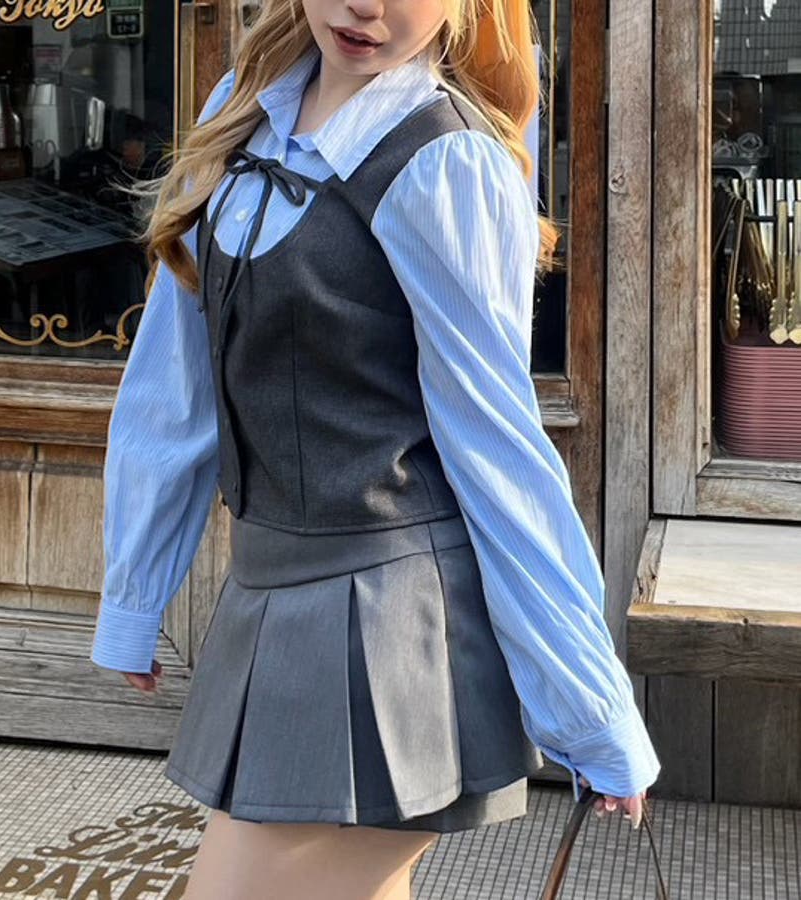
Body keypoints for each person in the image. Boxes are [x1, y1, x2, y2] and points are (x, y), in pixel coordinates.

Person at [89, 0, 662, 896]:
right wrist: (135, 588)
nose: (364, 7)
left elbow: (497, 448)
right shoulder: (243, 105)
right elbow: (174, 372)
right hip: (268, 591)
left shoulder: (444, 159)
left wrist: (589, 708)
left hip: (393, 624)